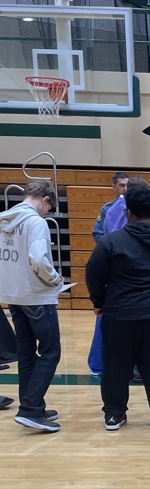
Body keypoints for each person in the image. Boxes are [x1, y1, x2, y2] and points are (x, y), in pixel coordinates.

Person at [85, 184, 150, 431]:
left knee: (115, 367)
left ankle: (114, 415)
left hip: (120, 315)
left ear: (128, 213)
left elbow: (93, 273)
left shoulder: (111, 242)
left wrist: (98, 302)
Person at [0, 180, 64, 432]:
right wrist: (55, 279)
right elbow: (38, 259)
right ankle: (30, 409)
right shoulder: (36, 222)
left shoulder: (5, 220)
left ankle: (32, 406)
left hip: (13, 294)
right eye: (50, 208)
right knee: (51, 352)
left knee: (27, 354)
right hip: (37, 296)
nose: (48, 213)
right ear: (46, 199)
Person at [92, 172, 129, 242]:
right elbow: (98, 233)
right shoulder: (107, 208)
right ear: (114, 187)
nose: (126, 189)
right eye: (122, 185)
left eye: (127, 186)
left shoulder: (135, 207)